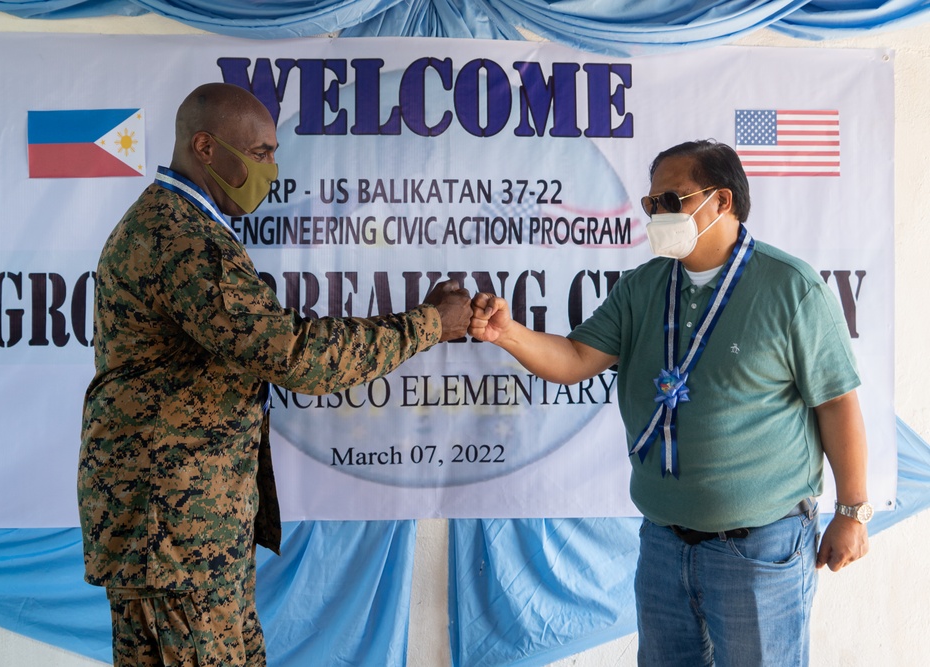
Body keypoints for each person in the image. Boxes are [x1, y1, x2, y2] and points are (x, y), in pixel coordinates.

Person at [78, 82, 471, 666]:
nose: (272, 167)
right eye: (259, 153)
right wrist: (429, 325)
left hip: (188, 531)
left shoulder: (189, 228)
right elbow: (294, 355)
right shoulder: (181, 238)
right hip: (174, 536)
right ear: (205, 147)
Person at [468, 139, 870, 666]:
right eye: (651, 203)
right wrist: (508, 334)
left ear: (721, 201)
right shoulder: (642, 287)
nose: (658, 213)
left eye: (671, 200)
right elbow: (573, 358)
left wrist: (852, 512)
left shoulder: (790, 287)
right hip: (663, 545)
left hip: (759, 548)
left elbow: (837, 402)